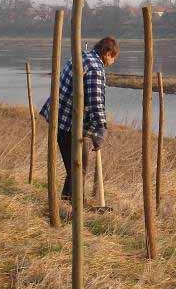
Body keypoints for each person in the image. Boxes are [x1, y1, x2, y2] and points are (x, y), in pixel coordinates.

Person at [40, 36, 119, 200]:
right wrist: (101, 128)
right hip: (69, 123)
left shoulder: (82, 56)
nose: (113, 62)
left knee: (75, 167)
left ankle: (70, 203)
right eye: (113, 57)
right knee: (78, 167)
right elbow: (95, 101)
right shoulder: (96, 68)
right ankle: (74, 208)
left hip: (60, 118)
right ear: (107, 53)